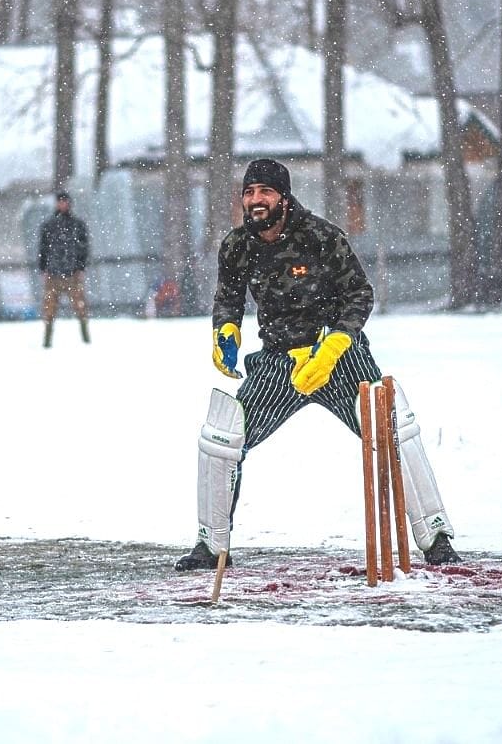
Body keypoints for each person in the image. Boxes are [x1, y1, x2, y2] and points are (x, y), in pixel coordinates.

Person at [175, 158, 460, 571]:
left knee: (394, 428)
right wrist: (226, 332)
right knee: (223, 435)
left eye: (266, 193)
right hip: (279, 362)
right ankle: (211, 545)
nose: (256, 201)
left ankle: (436, 538)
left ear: (284, 198)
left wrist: (334, 346)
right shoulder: (237, 245)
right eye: (250, 192)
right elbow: (228, 298)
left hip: (338, 358)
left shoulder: (321, 236)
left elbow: (360, 295)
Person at [37, 190, 90, 347]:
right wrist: (44, 269)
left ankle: (86, 338)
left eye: (65, 201)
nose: (63, 204)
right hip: (53, 273)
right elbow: (43, 249)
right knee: (49, 311)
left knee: (81, 309)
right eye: (60, 202)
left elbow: (83, 248)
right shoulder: (48, 226)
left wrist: (81, 268)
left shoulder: (77, 225)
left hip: (72, 273)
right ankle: (47, 342)